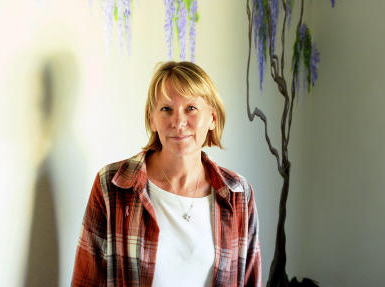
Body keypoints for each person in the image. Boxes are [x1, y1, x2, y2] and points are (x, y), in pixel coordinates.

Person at [71, 61, 261, 287]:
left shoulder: (238, 193)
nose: (179, 122)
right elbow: (86, 280)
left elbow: (251, 280)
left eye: (191, 108)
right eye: (166, 109)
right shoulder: (112, 185)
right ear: (152, 119)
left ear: (212, 118)